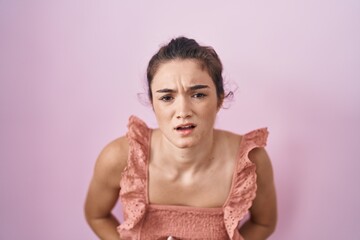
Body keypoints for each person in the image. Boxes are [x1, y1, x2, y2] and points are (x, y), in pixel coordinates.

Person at [84, 36, 277, 240]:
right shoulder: (119, 158)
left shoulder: (252, 162)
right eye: (167, 98)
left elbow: (264, 223)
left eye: (198, 95)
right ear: (152, 103)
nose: (183, 111)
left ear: (220, 99)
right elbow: (96, 215)